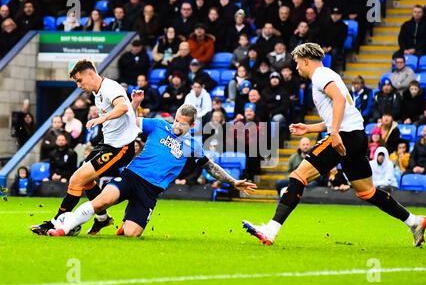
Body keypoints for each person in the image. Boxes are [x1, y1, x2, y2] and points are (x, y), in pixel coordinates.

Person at [242, 43, 426, 247]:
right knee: (367, 191)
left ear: (306, 60)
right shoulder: (328, 75)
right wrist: (308, 128)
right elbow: (338, 111)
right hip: (357, 135)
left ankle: (271, 230)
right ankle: (414, 221)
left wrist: (333, 133)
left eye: (297, 63)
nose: (296, 68)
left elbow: (339, 100)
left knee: (298, 176)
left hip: (344, 135)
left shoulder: (320, 75)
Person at [47, 104, 257, 237]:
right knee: (101, 201)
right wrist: (134, 104)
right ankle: (62, 229)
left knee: (131, 234)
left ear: (192, 126)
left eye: (182, 124)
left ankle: (125, 223)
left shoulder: (194, 145)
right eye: (176, 120)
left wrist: (233, 181)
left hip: (151, 191)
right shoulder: (158, 125)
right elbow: (130, 121)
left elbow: (210, 167)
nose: (177, 126)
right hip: (132, 176)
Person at [31, 59, 140, 236]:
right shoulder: (98, 93)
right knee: (87, 181)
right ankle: (103, 219)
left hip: (119, 148)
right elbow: (127, 111)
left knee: (76, 180)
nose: (78, 85)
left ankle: (54, 222)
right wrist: (134, 104)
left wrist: (101, 119)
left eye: (79, 80)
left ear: (90, 74)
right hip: (107, 145)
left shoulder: (109, 88)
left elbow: (122, 107)